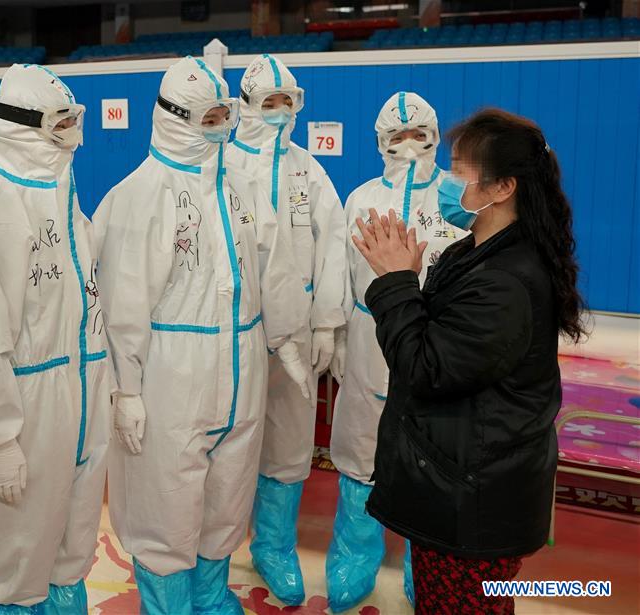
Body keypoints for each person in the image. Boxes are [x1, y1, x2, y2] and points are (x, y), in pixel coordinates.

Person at [93, 56, 311, 615]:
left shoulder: (238, 186)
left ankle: (211, 595)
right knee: (166, 495)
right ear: (174, 116)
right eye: (206, 117)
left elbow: (275, 263)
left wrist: (285, 338)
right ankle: (168, 603)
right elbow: (121, 305)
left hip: (242, 363)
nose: (219, 127)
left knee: (228, 488)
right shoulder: (137, 197)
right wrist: (127, 388)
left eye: (224, 115)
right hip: (172, 372)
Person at [352, 108, 583, 615]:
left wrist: (395, 282)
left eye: (459, 171)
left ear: (501, 188)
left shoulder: (504, 281)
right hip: (462, 476)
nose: (447, 182)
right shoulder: (479, 251)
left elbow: (426, 368)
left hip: (474, 496)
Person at [0, 64, 110, 614]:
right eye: (60, 124)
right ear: (25, 126)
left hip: (78, 405)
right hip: (26, 417)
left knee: (71, 541)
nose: (72, 137)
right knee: (16, 556)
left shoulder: (63, 203)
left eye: (74, 122)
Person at [326, 91, 462, 612]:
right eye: (395, 138)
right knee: (362, 447)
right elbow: (339, 272)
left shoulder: (456, 196)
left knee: (430, 453)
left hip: (434, 343)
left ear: (433, 137)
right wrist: (334, 334)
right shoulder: (359, 198)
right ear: (380, 143)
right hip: (367, 343)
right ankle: (355, 556)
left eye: (419, 136)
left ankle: (421, 564)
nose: (408, 147)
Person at [225, 54, 348, 606]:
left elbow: (334, 247)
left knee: (289, 442)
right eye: (267, 104)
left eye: (286, 103)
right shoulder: (219, 163)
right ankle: (215, 547)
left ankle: (273, 546)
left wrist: (326, 324)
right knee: (226, 437)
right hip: (231, 335)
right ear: (245, 106)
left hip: (297, 334)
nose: (277, 114)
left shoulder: (309, 171)